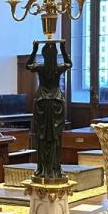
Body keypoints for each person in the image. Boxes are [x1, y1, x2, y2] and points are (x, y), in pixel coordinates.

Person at [25, 40, 70, 180]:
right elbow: (70, 64)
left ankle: (43, 169)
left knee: (42, 137)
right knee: (55, 137)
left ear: (43, 55)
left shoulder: (40, 67)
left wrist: (34, 49)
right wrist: (63, 48)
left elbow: (28, 65)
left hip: (42, 103)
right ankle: (55, 169)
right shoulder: (59, 67)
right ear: (56, 55)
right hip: (56, 103)